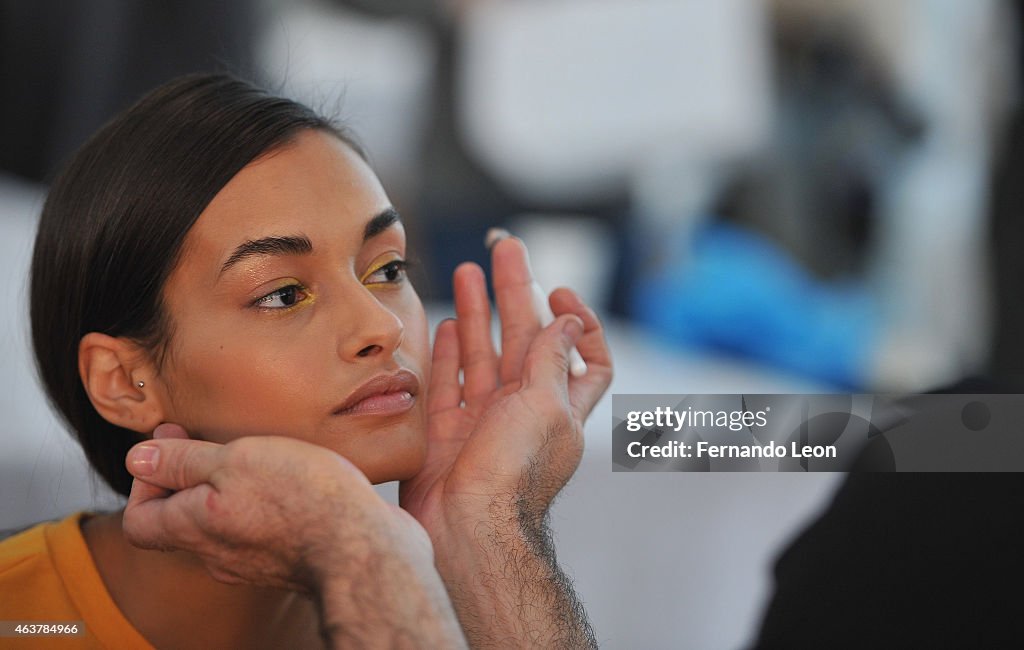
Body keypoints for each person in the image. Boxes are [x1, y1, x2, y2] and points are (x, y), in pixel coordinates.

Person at [0, 73, 612, 648]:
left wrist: (486, 522)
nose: (383, 324)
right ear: (124, 383)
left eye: (387, 270)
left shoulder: (423, 605)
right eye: (283, 295)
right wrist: (362, 554)